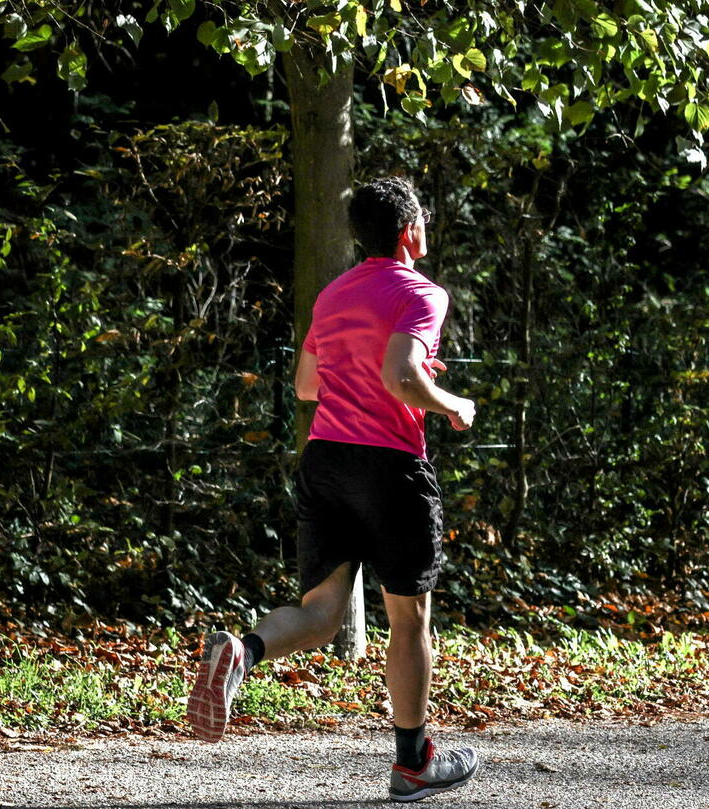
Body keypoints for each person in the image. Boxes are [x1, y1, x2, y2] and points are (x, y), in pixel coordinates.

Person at [186, 175, 480, 803]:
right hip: (390, 466)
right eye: (423, 217)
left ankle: (243, 650)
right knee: (409, 620)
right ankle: (413, 764)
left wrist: (400, 375)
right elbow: (400, 377)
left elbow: (307, 385)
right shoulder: (422, 294)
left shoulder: (333, 296)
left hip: (325, 460)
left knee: (321, 613)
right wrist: (450, 402)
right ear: (409, 231)